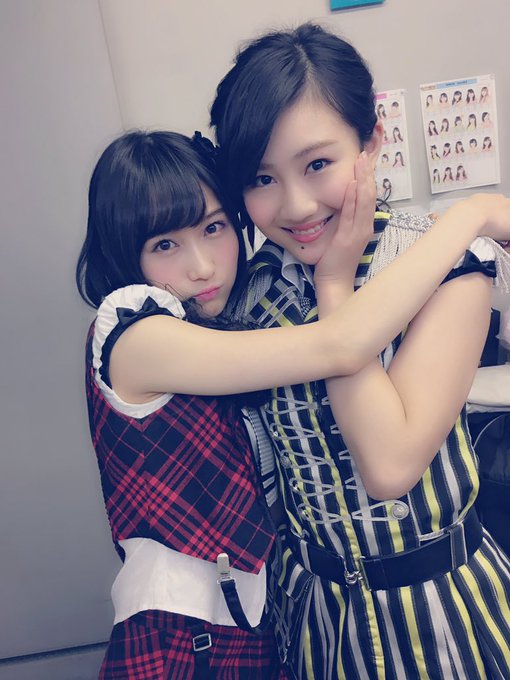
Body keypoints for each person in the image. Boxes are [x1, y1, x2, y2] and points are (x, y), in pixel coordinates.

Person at [76, 129, 495, 679]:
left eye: (213, 228)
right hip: (180, 628)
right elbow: (340, 345)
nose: (202, 266)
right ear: (122, 251)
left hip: (264, 615)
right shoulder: (133, 335)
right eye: (164, 245)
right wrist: (472, 216)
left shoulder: (229, 314)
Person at [211, 22, 510, 680]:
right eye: (261, 178)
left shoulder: (446, 262)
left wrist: (335, 286)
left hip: (441, 614)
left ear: (371, 142)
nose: (295, 205)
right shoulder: (248, 294)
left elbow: (390, 464)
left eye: (318, 164)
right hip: (314, 619)